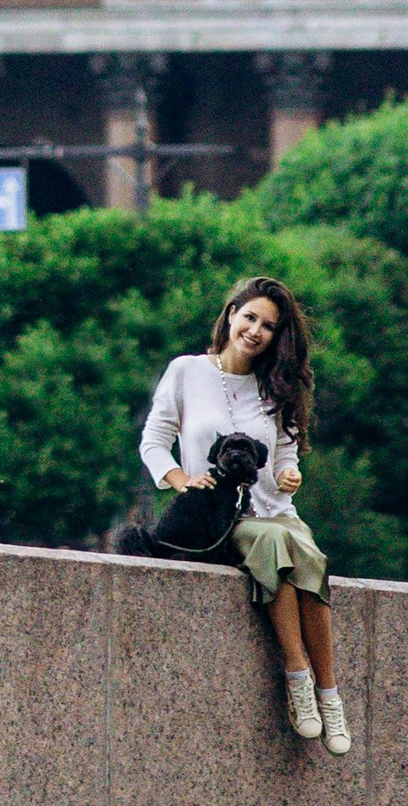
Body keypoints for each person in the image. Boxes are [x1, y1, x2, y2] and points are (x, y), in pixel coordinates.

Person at [138, 274, 347, 754]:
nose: (255, 331)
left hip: (274, 510)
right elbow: (154, 440)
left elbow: (285, 455)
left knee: (304, 551)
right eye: (249, 317)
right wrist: (180, 480)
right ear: (231, 314)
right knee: (276, 543)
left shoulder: (274, 385)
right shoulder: (187, 371)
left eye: (268, 326)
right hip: (219, 517)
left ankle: (329, 694)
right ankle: (299, 679)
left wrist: (290, 474)